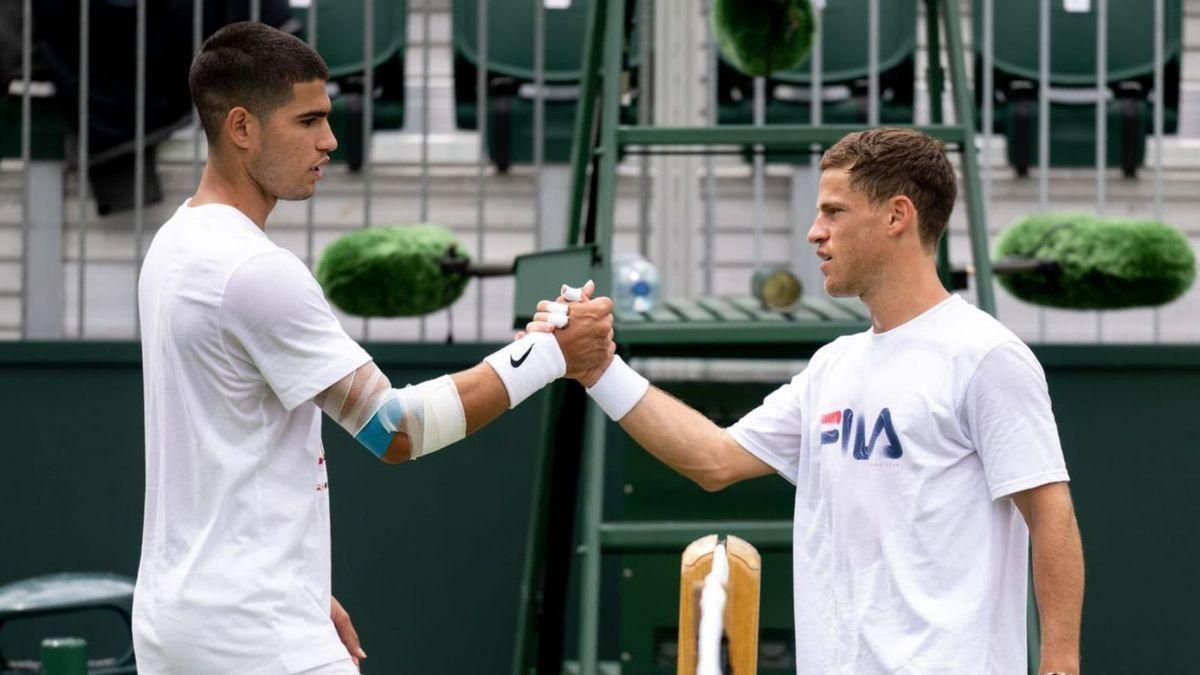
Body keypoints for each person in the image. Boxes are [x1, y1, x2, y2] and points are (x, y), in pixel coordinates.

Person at [132, 22, 615, 675]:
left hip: (185, 620)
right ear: (242, 128)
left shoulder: (175, 243)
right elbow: (396, 429)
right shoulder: (253, 269)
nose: (330, 140)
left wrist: (299, 587)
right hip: (254, 636)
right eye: (308, 121)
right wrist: (548, 354)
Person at [529, 128, 1085, 674]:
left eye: (834, 212)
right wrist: (597, 368)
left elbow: (1049, 512)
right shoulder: (832, 367)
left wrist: (1059, 663)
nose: (814, 233)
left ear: (897, 216)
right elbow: (714, 460)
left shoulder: (986, 355)